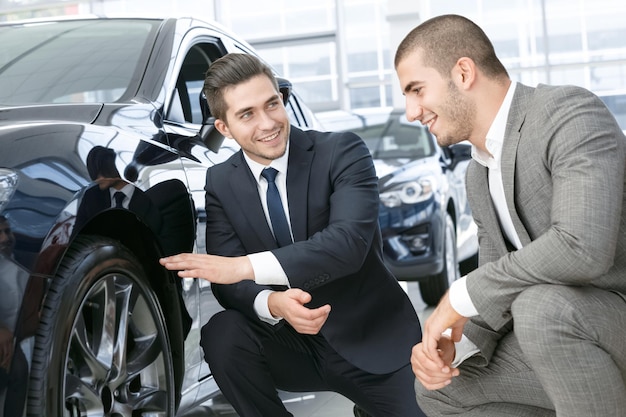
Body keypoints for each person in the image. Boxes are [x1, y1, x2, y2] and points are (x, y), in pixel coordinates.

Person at [160, 53, 425, 417]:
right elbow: (229, 287)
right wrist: (272, 304)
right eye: (247, 114)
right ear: (224, 128)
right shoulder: (221, 180)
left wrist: (244, 267)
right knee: (223, 333)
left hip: (372, 339)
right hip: (292, 346)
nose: (268, 123)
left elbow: (347, 245)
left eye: (272, 104)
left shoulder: (342, 151)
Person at [394, 13, 626, 417]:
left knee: (541, 308)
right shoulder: (477, 173)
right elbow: (499, 285)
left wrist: (461, 295)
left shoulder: (566, 113)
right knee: (438, 388)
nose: (411, 112)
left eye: (417, 90)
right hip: (567, 333)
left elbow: (582, 246)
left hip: (609, 319)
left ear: (463, 72)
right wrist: (459, 344)